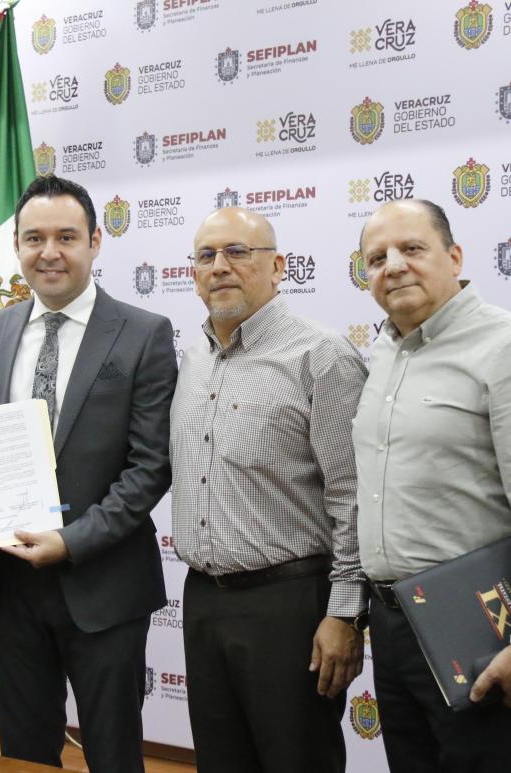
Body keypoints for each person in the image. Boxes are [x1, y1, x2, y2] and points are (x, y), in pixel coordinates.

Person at [0, 175, 177, 771]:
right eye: (34, 238)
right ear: (16, 245)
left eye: (66, 237)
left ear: (95, 241)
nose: (49, 252)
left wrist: (71, 542)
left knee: (113, 754)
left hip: (104, 585)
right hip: (12, 588)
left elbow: (149, 467)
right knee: (25, 754)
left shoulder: (144, 334)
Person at [170, 206, 368, 773]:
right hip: (203, 601)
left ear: (278, 266)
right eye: (206, 256)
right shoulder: (192, 360)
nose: (220, 266)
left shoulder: (320, 355)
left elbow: (352, 496)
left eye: (238, 252)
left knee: (297, 760)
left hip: (290, 606)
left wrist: (345, 614)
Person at [354, 198, 511, 772]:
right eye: (377, 258)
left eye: (412, 248)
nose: (393, 265)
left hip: (479, 626)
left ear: (455, 256)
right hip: (392, 621)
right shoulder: (382, 352)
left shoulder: (501, 346)